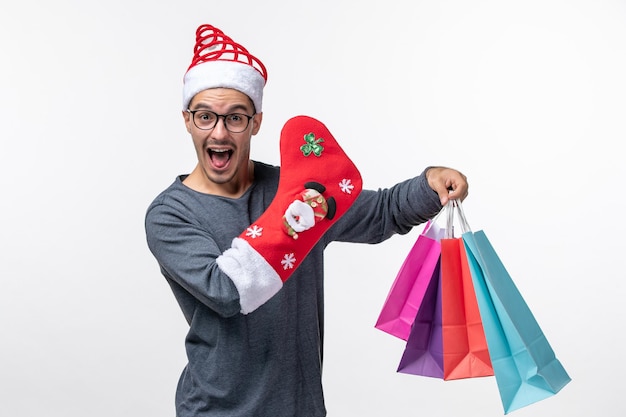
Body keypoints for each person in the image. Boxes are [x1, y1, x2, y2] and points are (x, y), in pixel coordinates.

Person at [145, 23, 468, 417]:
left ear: (256, 122)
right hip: (216, 411)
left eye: (235, 118)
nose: (219, 132)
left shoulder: (290, 187)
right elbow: (226, 292)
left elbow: (382, 213)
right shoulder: (170, 214)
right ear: (187, 120)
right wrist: (298, 212)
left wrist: (430, 183)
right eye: (205, 116)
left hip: (302, 407)